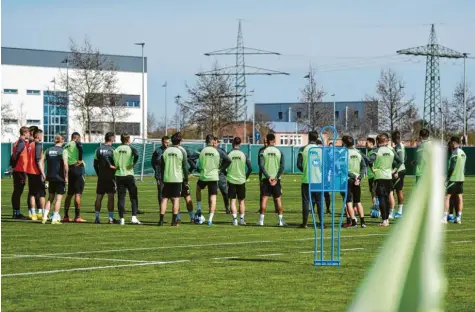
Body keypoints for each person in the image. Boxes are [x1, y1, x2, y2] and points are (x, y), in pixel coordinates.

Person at [195, 134, 231, 226]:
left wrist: (197, 168)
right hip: (214, 176)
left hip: (204, 175)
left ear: (205, 141)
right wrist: (221, 169)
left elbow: (191, 159)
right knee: (213, 196)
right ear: (213, 141)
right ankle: (210, 219)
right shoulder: (217, 151)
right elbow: (228, 160)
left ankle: (199, 208)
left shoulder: (202, 150)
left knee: (198, 188)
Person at [368, 133, 402, 227]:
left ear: (378, 141)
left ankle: (384, 220)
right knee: (387, 198)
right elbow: (400, 161)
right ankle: (386, 219)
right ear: (386, 141)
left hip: (379, 177)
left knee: (381, 198)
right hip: (389, 177)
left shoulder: (376, 150)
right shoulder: (391, 150)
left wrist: (372, 169)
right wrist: (394, 170)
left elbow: (370, 161)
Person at [158, 133, 188, 226]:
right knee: (176, 200)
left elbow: (162, 166)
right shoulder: (181, 151)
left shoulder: (166, 151)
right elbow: (185, 167)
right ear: (180, 141)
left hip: (167, 178)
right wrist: (186, 178)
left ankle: (161, 221)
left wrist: (162, 177)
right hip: (177, 179)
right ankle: (174, 221)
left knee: (164, 199)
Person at [258, 133, 286, 226]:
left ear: (267, 140)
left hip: (266, 179)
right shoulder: (279, 151)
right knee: (278, 200)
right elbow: (282, 167)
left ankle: (261, 221)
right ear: (274, 140)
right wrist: (276, 178)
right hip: (276, 180)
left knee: (264, 199)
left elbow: (261, 166)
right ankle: (281, 221)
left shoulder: (263, 152)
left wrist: (267, 177)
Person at [297, 132, 323, 228]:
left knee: (306, 201)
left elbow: (298, 164)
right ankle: (321, 223)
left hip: (306, 179)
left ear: (308, 138)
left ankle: (304, 223)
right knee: (319, 202)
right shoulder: (321, 150)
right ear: (317, 138)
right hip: (318, 180)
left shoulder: (303, 149)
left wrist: (306, 170)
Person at [114, 133, 141, 225]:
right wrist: (133, 164)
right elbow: (137, 154)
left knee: (121, 198)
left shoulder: (117, 149)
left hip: (119, 175)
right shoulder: (130, 148)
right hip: (129, 175)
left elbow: (113, 161)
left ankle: (122, 219)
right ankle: (134, 218)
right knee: (133, 197)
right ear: (128, 140)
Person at [341, 135, 367, 228]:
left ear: (344, 143)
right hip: (357, 180)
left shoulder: (344, 153)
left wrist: (353, 176)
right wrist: (359, 177)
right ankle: (363, 222)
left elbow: (343, 168)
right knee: (358, 201)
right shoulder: (358, 152)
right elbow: (364, 166)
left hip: (347, 180)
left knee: (348, 201)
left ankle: (353, 222)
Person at [226, 137, 252, 225]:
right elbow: (250, 168)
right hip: (241, 180)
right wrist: (245, 177)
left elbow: (223, 168)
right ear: (240, 144)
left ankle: (235, 220)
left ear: (232, 143)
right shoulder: (244, 154)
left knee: (232, 201)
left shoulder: (228, 154)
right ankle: (241, 219)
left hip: (231, 180)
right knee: (241, 201)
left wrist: (227, 175)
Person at [43, 135, 68, 224]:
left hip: (50, 177)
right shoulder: (63, 151)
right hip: (60, 177)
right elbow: (65, 164)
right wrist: (66, 176)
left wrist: (43, 174)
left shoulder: (48, 150)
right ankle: (54, 218)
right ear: (63, 141)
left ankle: (44, 217)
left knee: (50, 198)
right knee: (58, 199)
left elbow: (42, 161)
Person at [93, 132, 117, 224]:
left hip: (101, 177)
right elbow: (115, 164)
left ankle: (97, 217)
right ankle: (110, 218)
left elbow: (95, 165)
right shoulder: (113, 150)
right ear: (111, 138)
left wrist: (99, 174)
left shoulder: (98, 150)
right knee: (111, 197)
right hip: (111, 177)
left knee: (99, 196)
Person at [63, 132, 86, 223]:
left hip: (70, 169)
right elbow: (80, 147)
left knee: (69, 194)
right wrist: (80, 159)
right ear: (76, 138)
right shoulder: (77, 143)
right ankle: (77, 216)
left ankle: (66, 216)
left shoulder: (66, 146)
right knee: (77, 194)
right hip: (77, 168)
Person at [443, 137, 466, 224]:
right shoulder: (463, 153)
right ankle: (458, 218)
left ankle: (444, 218)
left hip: (453, 178)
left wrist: (448, 177)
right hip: (461, 178)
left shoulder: (455, 152)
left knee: (447, 197)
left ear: (453, 142)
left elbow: (452, 166)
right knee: (459, 197)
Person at [26, 129, 46, 221]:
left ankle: (33, 214)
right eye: (42, 135)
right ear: (38, 136)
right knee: (41, 194)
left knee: (32, 193)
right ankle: (40, 213)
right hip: (36, 172)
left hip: (29, 171)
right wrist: (42, 173)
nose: (42, 137)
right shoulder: (38, 144)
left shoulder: (30, 144)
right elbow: (38, 160)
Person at [10, 126, 31, 219]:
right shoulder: (21, 143)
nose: (29, 134)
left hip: (19, 170)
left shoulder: (17, 143)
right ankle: (16, 214)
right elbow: (15, 155)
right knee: (17, 192)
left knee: (17, 192)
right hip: (20, 170)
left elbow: (13, 155)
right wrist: (13, 166)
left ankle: (16, 212)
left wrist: (12, 166)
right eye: (28, 133)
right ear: (25, 133)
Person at [390, 130, 406, 219]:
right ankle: (395, 211)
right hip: (399, 170)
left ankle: (399, 212)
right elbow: (405, 157)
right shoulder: (401, 146)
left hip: (398, 171)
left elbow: (400, 160)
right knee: (394, 190)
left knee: (397, 190)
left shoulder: (399, 146)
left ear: (393, 138)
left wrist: (395, 171)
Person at [151, 136, 170, 209]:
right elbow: (153, 163)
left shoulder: (171, 150)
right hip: (160, 175)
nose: (167, 144)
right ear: (162, 142)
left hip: (170, 175)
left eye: (168, 142)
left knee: (171, 193)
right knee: (161, 192)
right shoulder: (157, 151)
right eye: (166, 142)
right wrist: (157, 175)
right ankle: (161, 208)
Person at [214, 138, 231, 214]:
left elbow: (228, 160)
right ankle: (211, 209)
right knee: (212, 193)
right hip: (212, 175)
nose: (214, 144)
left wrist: (222, 169)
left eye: (215, 143)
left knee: (225, 192)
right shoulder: (209, 151)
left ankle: (227, 207)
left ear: (217, 143)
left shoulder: (221, 151)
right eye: (213, 143)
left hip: (221, 175)